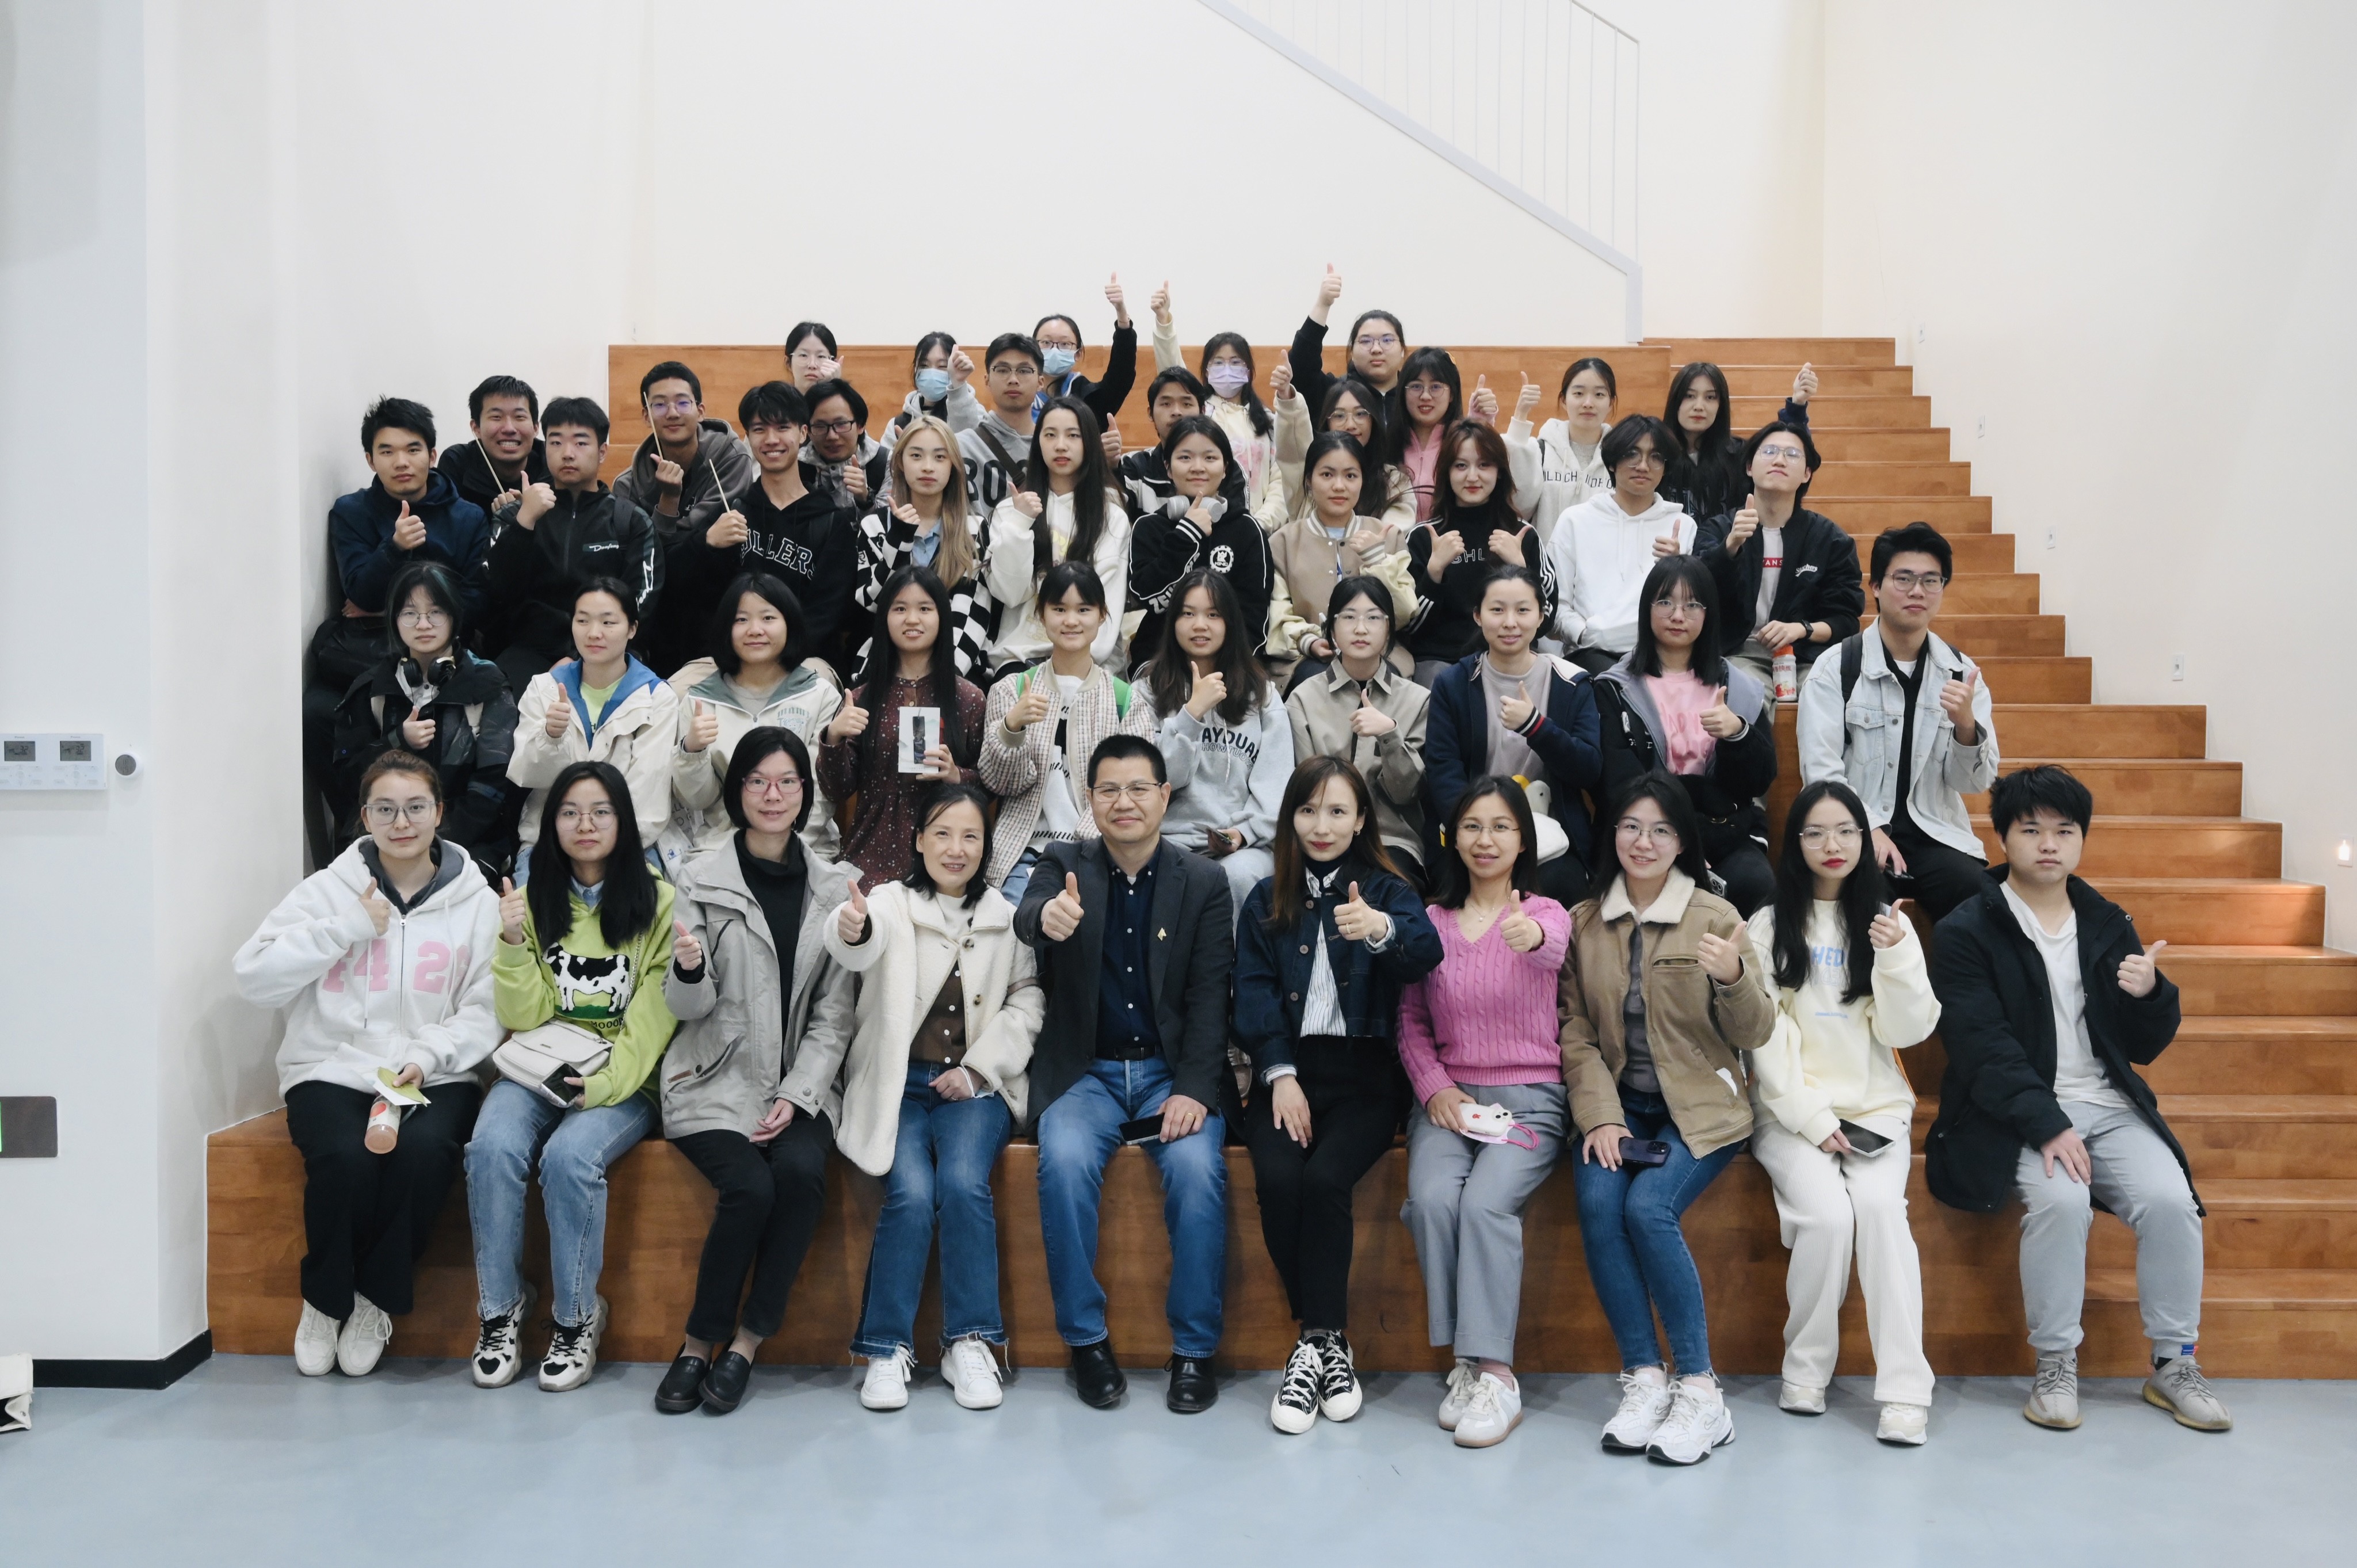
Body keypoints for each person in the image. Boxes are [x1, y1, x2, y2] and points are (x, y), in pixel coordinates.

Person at [1926, 765, 2228, 1434]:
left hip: (2109, 1106)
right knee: (2061, 1203)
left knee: (2172, 1201)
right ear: (2002, 837)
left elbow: (2141, 1045)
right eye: (2030, 829)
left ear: (2081, 840)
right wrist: (2047, 1122)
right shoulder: (1965, 929)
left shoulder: (2105, 922)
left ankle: (2174, 1363)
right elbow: (1981, 1046)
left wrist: (2151, 995)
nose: (2048, 844)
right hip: (2019, 1113)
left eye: (2064, 831)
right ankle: (2056, 1365)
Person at [233, 751, 501, 1378]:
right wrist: (346, 926)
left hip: (436, 1071)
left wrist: (428, 1055)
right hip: (332, 1066)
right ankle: (324, 1301)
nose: (401, 822)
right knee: (343, 1158)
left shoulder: (477, 902)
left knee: (424, 1156)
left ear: (439, 812)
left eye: (415, 807)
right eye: (385, 808)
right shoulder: (328, 891)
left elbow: (487, 1008)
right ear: (364, 816)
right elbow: (254, 976)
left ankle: (374, 1299)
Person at [1558, 770, 1776, 1466]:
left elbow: (1756, 1030)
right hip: (1620, 1106)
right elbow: (1576, 1031)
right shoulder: (1584, 921)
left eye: (1660, 829)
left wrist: (1732, 977)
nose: (1643, 842)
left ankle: (1702, 1391)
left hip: (1700, 1108)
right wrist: (1599, 1117)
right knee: (1599, 1201)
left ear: (1682, 841)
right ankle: (1644, 1378)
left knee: (1648, 1208)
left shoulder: (1714, 916)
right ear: (1612, 834)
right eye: (1630, 826)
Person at [1014, 735, 1235, 1414]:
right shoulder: (1063, 863)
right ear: (1090, 798)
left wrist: (1194, 1088)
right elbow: (1028, 914)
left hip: (1172, 1074)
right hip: (1087, 1073)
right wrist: (1048, 918)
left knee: (1197, 1172)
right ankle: (1085, 1340)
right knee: (1062, 1162)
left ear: (1164, 796)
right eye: (1108, 789)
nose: (1124, 802)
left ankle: (1194, 1349)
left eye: (1139, 788)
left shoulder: (1202, 881)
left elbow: (1210, 995)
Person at [654, 728, 859, 1417]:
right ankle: (696, 1343)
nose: (773, 795)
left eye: (787, 781)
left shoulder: (837, 888)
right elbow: (687, 1007)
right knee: (748, 1185)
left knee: (800, 1174)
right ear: (737, 791)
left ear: (806, 791)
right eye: (757, 781)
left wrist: (798, 1096)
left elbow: (835, 1017)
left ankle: (745, 1342)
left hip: (801, 1083)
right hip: (715, 1077)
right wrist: (688, 970)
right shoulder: (700, 878)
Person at [1234, 757, 1442, 1433]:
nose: (1321, 825)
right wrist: (1279, 1073)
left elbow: (1425, 950)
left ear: (1360, 821)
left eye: (1336, 811)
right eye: (1307, 810)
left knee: (1325, 1178)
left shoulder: (1387, 887)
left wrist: (1380, 930)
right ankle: (1325, 1342)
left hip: (1365, 1078)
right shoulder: (1265, 897)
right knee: (1277, 1176)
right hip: (1289, 1073)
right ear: (1289, 818)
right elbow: (1254, 995)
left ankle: (1315, 1340)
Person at [827, 783, 1045, 1413]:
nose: (956, 848)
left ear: (987, 845)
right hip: (896, 1086)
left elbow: (1028, 1001)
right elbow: (856, 939)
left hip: (972, 1090)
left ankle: (968, 1342)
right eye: (943, 834)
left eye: (971, 835)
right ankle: (886, 1347)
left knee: (963, 1185)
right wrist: (850, 926)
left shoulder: (1006, 916)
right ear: (918, 840)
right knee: (913, 1193)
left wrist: (980, 1069)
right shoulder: (889, 903)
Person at [466, 761, 677, 1392]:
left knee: (568, 1157)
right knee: (491, 1146)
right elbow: (523, 1016)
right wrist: (511, 940)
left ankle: (577, 1317)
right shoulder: (532, 899)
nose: (585, 824)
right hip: (538, 1065)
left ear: (624, 821)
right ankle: (499, 1310)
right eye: (569, 812)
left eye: (601, 811)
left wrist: (602, 1088)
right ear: (551, 823)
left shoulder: (660, 903)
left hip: (622, 1077)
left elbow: (652, 1023)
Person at [1751, 783, 1940, 1447]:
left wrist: (1896, 956)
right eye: (1815, 832)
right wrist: (1810, 1117)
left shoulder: (1887, 923)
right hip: (1790, 1114)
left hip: (1874, 1112)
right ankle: (1805, 1369)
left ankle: (1905, 1392)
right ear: (1795, 843)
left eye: (1846, 831)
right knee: (1827, 1218)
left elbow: (1905, 1029)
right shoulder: (1768, 925)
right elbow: (1763, 1035)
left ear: (1865, 840)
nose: (1831, 845)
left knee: (1883, 1214)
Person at [1395, 776, 1572, 1450]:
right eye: (1472, 825)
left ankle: (1496, 1374)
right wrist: (1434, 1088)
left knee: (1486, 1204)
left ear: (1523, 838)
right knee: (1432, 1199)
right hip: (1449, 1100)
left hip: (1531, 1100)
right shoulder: (1431, 921)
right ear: (1453, 837)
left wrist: (1528, 934)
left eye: (1501, 826)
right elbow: (1411, 1023)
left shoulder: (1546, 911)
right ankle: (1467, 1363)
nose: (1485, 839)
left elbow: (1551, 944)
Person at [307, 398, 492, 846]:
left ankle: (441, 833)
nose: (401, 462)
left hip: (442, 651)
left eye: (412, 449)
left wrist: (407, 601)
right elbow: (360, 591)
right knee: (316, 712)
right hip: (369, 651)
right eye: (386, 451)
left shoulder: (467, 516)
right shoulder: (351, 511)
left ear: (433, 454)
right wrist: (393, 548)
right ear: (370, 460)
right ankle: (359, 825)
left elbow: (476, 601)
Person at [1797, 522, 1999, 920]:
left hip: (1936, 833)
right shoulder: (1836, 668)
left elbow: (1974, 783)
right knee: (1862, 904)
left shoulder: (1962, 673)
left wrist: (1965, 727)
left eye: (1931, 580)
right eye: (1903, 579)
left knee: (1981, 901)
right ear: (1875, 586)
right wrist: (1865, 827)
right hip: (1854, 832)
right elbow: (1820, 772)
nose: (1917, 591)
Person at [1591, 558, 1778, 916]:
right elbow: (1618, 783)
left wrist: (1738, 735)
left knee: (1755, 884)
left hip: (1721, 831)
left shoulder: (1738, 688)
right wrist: (1677, 843)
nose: (1678, 615)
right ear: (1647, 609)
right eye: (1665, 602)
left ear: (1708, 614)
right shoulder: (1615, 687)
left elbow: (1759, 780)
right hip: (1644, 831)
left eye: (1692, 605)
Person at [978, 563, 1155, 906]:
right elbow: (1000, 783)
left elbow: (1135, 788)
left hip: (1102, 855)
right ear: (1041, 615)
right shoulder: (1011, 690)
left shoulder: (1125, 700)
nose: (1071, 621)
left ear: (1102, 616)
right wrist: (1012, 728)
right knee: (1018, 925)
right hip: (1023, 854)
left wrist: (1085, 846)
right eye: (1059, 609)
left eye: (1083, 610)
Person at [1422, 566, 1600, 906]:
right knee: (1459, 888)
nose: (1509, 622)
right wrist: (1477, 831)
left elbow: (1588, 768)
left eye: (1522, 610)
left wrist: (1536, 726)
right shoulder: (1453, 684)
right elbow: (1443, 771)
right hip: (1472, 834)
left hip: (1550, 836)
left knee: (1563, 883)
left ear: (1541, 616)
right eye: (1497, 610)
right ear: (1478, 616)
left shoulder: (1572, 683)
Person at [328, 561, 518, 863]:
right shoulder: (373, 687)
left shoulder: (488, 684)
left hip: (468, 840)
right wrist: (397, 741)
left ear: (454, 617)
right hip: (387, 836)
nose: (423, 624)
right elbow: (350, 780)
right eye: (410, 614)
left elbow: (494, 786)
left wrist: (433, 839)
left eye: (436, 613)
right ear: (394, 620)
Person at [677, 381, 861, 680]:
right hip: (733, 663)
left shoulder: (832, 522)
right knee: (678, 690)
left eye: (783, 427)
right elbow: (689, 594)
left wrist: (774, 659)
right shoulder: (732, 512)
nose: (772, 440)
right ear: (748, 437)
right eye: (760, 429)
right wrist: (706, 543)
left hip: (804, 663)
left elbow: (827, 614)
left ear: (802, 433)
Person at [480, 396, 661, 699]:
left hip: (608, 649)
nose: (567, 453)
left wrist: (579, 656)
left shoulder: (630, 520)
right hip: (529, 650)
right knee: (501, 700)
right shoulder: (515, 515)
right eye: (556, 442)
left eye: (580, 443)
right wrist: (525, 523)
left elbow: (643, 600)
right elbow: (496, 589)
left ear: (602, 452)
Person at [817, 569, 986, 888]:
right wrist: (835, 736)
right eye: (900, 608)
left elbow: (989, 784)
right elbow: (835, 790)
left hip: (947, 858)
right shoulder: (861, 698)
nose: (912, 619)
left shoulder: (969, 698)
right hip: (871, 853)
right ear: (884, 619)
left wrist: (956, 776)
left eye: (924, 608)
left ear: (942, 617)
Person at [664, 573, 846, 869]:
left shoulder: (819, 694)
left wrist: (781, 849)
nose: (755, 630)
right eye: (741, 620)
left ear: (790, 624)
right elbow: (699, 800)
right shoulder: (700, 701)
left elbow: (820, 792)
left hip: (805, 848)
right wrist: (692, 751)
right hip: (722, 847)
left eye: (768, 618)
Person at [1139, 570, 1296, 911]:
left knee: (1237, 876)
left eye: (1213, 615)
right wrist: (1192, 713)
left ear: (1230, 623)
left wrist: (1244, 833)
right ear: (1173, 621)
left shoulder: (1262, 694)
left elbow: (1277, 784)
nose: (1200, 625)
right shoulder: (1149, 691)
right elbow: (1158, 782)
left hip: (1244, 845)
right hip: (1165, 841)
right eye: (1188, 614)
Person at [506, 579, 680, 882]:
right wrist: (551, 737)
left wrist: (599, 851)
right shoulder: (545, 688)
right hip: (549, 843)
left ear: (632, 629)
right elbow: (527, 775)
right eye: (583, 620)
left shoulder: (658, 698)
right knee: (529, 911)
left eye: (608, 622)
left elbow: (648, 794)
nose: (594, 633)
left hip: (631, 846)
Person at [1285, 577, 1431, 886]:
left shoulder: (1417, 700)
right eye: (1349, 617)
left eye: (1374, 618)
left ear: (1389, 628)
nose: (1361, 629)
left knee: (1392, 888)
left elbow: (1407, 795)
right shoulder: (1303, 698)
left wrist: (1390, 735)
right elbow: (1303, 788)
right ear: (1332, 629)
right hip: (1321, 836)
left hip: (1391, 840)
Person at [614, 360, 756, 674]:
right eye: (659, 405)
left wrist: (676, 534)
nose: (673, 413)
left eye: (682, 402)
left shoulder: (732, 458)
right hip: (659, 611)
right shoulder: (627, 485)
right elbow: (649, 563)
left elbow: (718, 541)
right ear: (646, 416)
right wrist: (668, 502)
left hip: (717, 602)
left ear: (700, 410)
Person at [1691, 422, 1863, 683]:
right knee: (1749, 693)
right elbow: (1698, 593)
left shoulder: (1830, 539)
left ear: (1807, 473)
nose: (1780, 460)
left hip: (1807, 654)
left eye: (1792, 455)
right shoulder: (1719, 529)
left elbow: (1846, 619)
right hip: (1738, 653)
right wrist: (1731, 546)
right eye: (1769, 451)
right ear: (1749, 467)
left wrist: (1801, 629)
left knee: (1822, 693)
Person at [983, 395, 1131, 677]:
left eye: (1073, 435)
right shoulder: (1011, 510)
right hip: (1020, 659)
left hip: (1089, 662)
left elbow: (1106, 604)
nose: (1061, 445)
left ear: (1089, 443)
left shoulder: (1111, 517)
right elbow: (1010, 594)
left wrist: (1078, 663)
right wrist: (1020, 524)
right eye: (1050, 435)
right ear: (1038, 443)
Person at [1264, 431, 1417, 688]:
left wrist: (1376, 559)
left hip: (1380, 652)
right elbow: (1277, 611)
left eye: (1350, 476)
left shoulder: (1387, 536)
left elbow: (1404, 614)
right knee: (1316, 683)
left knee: (1384, 682)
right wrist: (1309, 641)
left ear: (1362, 480)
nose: (1339, 486)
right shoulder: (1283, 542)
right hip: (1307, 657)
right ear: (1309, 481)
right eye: (1327, 475)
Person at [1546, 414, 1695, 674]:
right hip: (1591, 653)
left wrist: (1678, 569)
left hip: (1660, 654)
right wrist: (1583, 634)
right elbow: (1554, 603)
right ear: (1613, 463)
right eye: (1632, 454)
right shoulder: (1575, 520)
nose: (1643, 466)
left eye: (1656, 457)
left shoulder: (1682, 525)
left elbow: (1692, 608)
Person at [1403, 421, 1550, 678]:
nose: (1472, 477)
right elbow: (1407, 626)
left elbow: (1547, 618)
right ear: (1447, 472)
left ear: (1500, 472)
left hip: (1511, 660)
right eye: (1461, 466)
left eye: (1484, 465)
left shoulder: (1522, 535)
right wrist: (1434, 573)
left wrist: (1522, 571)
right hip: (1441, 663)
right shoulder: (1424, 537)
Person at [853, 414, 994, 680]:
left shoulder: (974, 529)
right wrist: (899, 538)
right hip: (888, 663)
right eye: (916, 456)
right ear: (900, 462)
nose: (928, 467)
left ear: (954, 465)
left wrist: (943, 676)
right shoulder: (874, 525)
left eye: (940, 457)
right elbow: (872, 602)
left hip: (959, 667)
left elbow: (973, 611)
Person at [1127, 414, 1275, 665]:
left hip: (1231, 667)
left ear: (1226, 468)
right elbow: (1151, 600)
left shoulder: (1247, 529)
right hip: (1160, 664)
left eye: (1210, 458)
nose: (1198, 467)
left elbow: (1254, 618)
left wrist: (1227, 672)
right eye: (1185, 458)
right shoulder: (1148, 527)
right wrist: (1186, 536)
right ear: (1168, 468)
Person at [1149, 292, 1283, 522]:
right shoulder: (1199, 415)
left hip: (1259, 526)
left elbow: (1280, 482)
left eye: (1236, 362)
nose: (1227, 369)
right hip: (1203, 523)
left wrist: (1260, 524)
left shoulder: (1268, 421)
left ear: (1248, 371)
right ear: (1206, 371)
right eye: (1218, 363)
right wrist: (1164, 323)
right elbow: (1173, 369)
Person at [1658, 360, 1815, 525]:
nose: (1699, 406)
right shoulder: (1657, 454)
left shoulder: (1739, 454)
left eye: (1710, 397)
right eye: (1689, 396)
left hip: (1730, 541)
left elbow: (1785, 448)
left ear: (1721, 405)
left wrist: (1797, 406)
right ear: (1675, 401)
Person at [1272, 376, 1416, 539]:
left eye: (1360, 414)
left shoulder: (1394, 482)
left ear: (1373, 420)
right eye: (1339, 416)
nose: (1351, 425)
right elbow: (1292, 450)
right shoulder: (1309, 476)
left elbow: (1389, 538)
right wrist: (1287, 400)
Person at [1503, 356, 1615, 543]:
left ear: (1611, 403)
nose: (1588, 403)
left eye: (1599, 395)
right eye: (1579, 393)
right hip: (1547, 560)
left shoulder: (1619, 458)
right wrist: (1520, 415)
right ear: (1563, 400)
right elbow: (1518, 506)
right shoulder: (1541, 451)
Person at [1286, 265, 1408, 411]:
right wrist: (1323, 304)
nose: (1376, 349)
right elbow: (1301, 368)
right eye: (1366, 341)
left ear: (1402, 350)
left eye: (1387, 340)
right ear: (1352, 353)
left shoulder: (1415, 396)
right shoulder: (1335, 394)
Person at [1031, 276, 1137, 429]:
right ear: (1034, 349)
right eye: (1046, 343)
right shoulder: (1020, 396)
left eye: (1065, 344)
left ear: (1078, 353)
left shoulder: (1091, 399)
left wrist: (1122, 316)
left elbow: (1121, 375)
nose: (1055, 350)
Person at [956, 333, 1043, 516]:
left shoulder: (1051, 447)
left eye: (1024, 371)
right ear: (987, 380)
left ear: (1040, 382)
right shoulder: (964, 445)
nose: (1013, 379)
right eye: (1003, 370)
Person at [438, 375, 550, 516]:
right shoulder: (457, 462)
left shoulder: (551, 462)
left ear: (535, 428)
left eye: (519, 417)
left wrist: (528, 516)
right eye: (496, 417)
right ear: (476, 428)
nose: (509, 428)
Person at [1112, 364, 1207, 520]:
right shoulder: (1134, 466)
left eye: (1186, 404)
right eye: (1166, 404)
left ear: (1202, 412)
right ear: (1151, 414)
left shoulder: (1224, 467)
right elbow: (1113, 517)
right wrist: (1110, 467)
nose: (1176, 412)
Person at [1387, 348, 1465, 521]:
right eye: (1416, 386)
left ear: (1452, 394)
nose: (1425, 396)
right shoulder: (1387, 445)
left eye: (1436, 387)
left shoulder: (1463, 445)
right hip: (1400, 539)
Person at [880, 333, 983, 456]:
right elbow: (886, 466)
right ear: (915, 369)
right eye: (924, 366)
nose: (932, 373)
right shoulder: (898, 425)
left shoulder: (975, 413)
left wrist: (959, 384)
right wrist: (901, 458)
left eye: (942, 366)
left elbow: (972, 451)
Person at [803, 376, 888, 508]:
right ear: (807, 430)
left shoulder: (886, 463)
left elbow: (889, 519)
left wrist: (865, 500)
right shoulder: (796, 466)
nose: (832, 436)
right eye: (820, 426)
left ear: (860, 425)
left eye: (841, 424)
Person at [784, 321, 841, 390]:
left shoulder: (848, 397)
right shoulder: (776, 397)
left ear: (834, 364)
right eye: (803, 355)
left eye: (821, 356)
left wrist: (834, 386)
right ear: (788, 363)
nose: (812, 365)